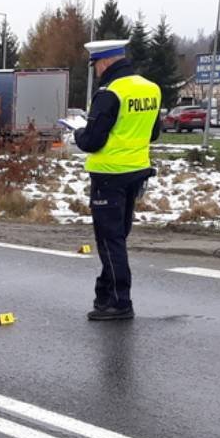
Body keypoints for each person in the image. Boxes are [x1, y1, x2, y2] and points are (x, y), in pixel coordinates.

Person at [73, 39, 162, 321]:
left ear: (105, 62)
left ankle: (120, 302)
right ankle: (105, 294)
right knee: (118, 238)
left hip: (109, 175)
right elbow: (154, 132)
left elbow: (92, 140)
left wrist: (75, 134)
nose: (97, 70)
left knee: (110, 241)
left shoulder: (109, 93)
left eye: (96, 65)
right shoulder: (150, 88)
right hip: (136, 172)